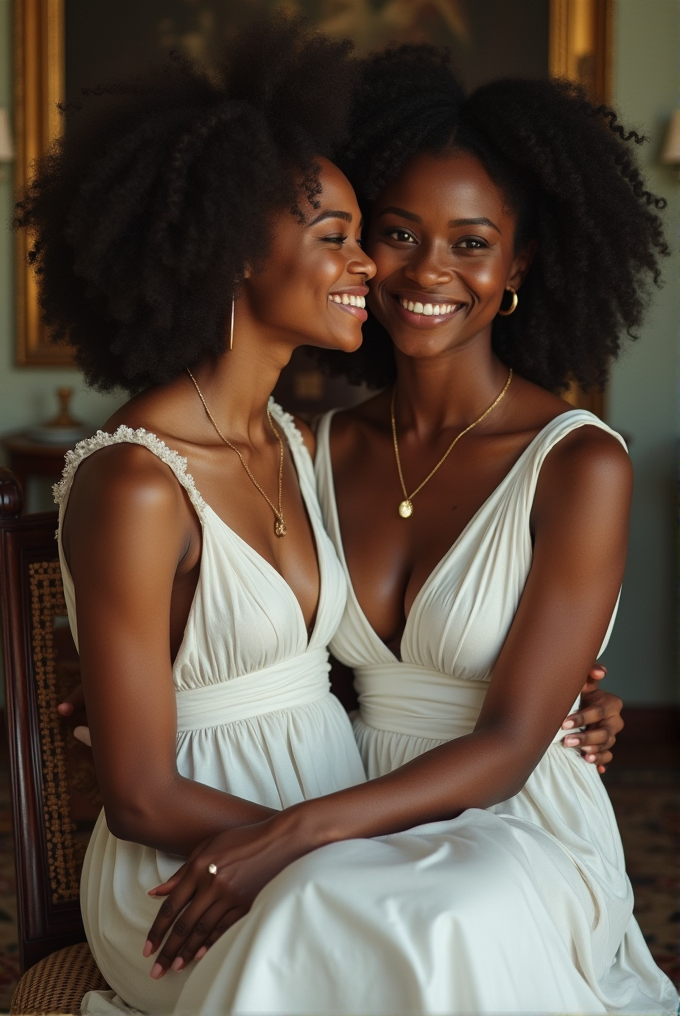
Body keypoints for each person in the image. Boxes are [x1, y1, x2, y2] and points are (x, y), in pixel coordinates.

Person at [20, 18, 636, 1016]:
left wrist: (576, 708)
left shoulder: (553, 460)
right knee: (419, 922)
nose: (402, 268)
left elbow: (491, 725)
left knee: (440, 918)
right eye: (377, 233)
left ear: (517, 268)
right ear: (229, 247)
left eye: (471, 243)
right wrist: (139, 698)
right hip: (294, 832)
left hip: (434, 824)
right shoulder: (315, 445)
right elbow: (238, 678)